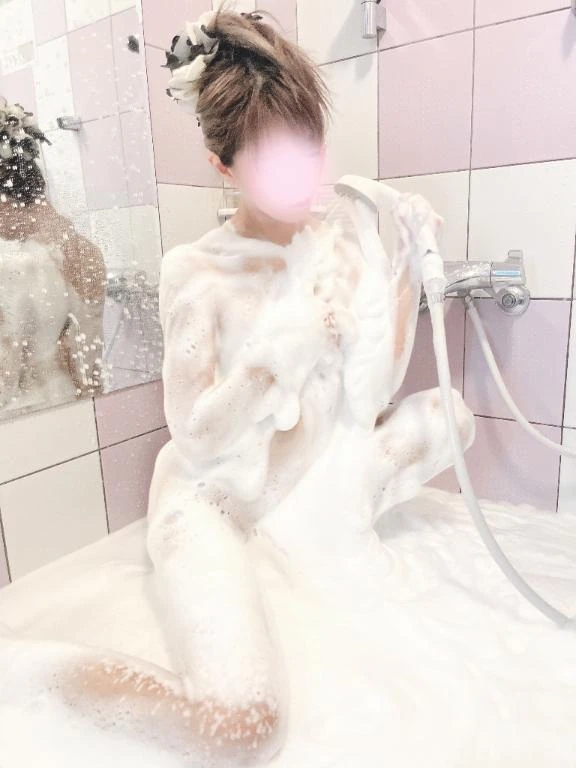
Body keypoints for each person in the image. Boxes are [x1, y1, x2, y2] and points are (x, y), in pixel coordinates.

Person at [0, 8, 475, 766]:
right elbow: (195, 435)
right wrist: (280, 352)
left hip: (303, 494)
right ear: (223, 167)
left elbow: (371, 393)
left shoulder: (336, 242)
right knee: (240, 726)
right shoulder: (195, 271)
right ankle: (22, 671)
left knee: (452, 414)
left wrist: (407, 269)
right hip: (213, 504)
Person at [0, 97, 106, 415]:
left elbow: (5, 377)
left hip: (20, 418)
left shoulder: (12, 263)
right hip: (70, 406)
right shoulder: (84, 250)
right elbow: (89, 369)